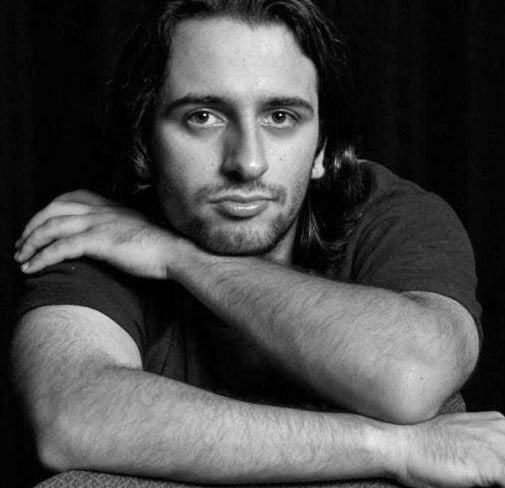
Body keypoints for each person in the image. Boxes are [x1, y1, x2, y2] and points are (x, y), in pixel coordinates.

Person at [10, 0, 505, 486]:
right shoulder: (100, 231)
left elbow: (412, 376)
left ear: (323, 148)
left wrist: (180, 257)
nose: (248, 163)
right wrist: (396, 448)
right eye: (203, 116)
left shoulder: (388, 214)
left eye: (281, 117)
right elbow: (72, 417)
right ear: (145, 141)